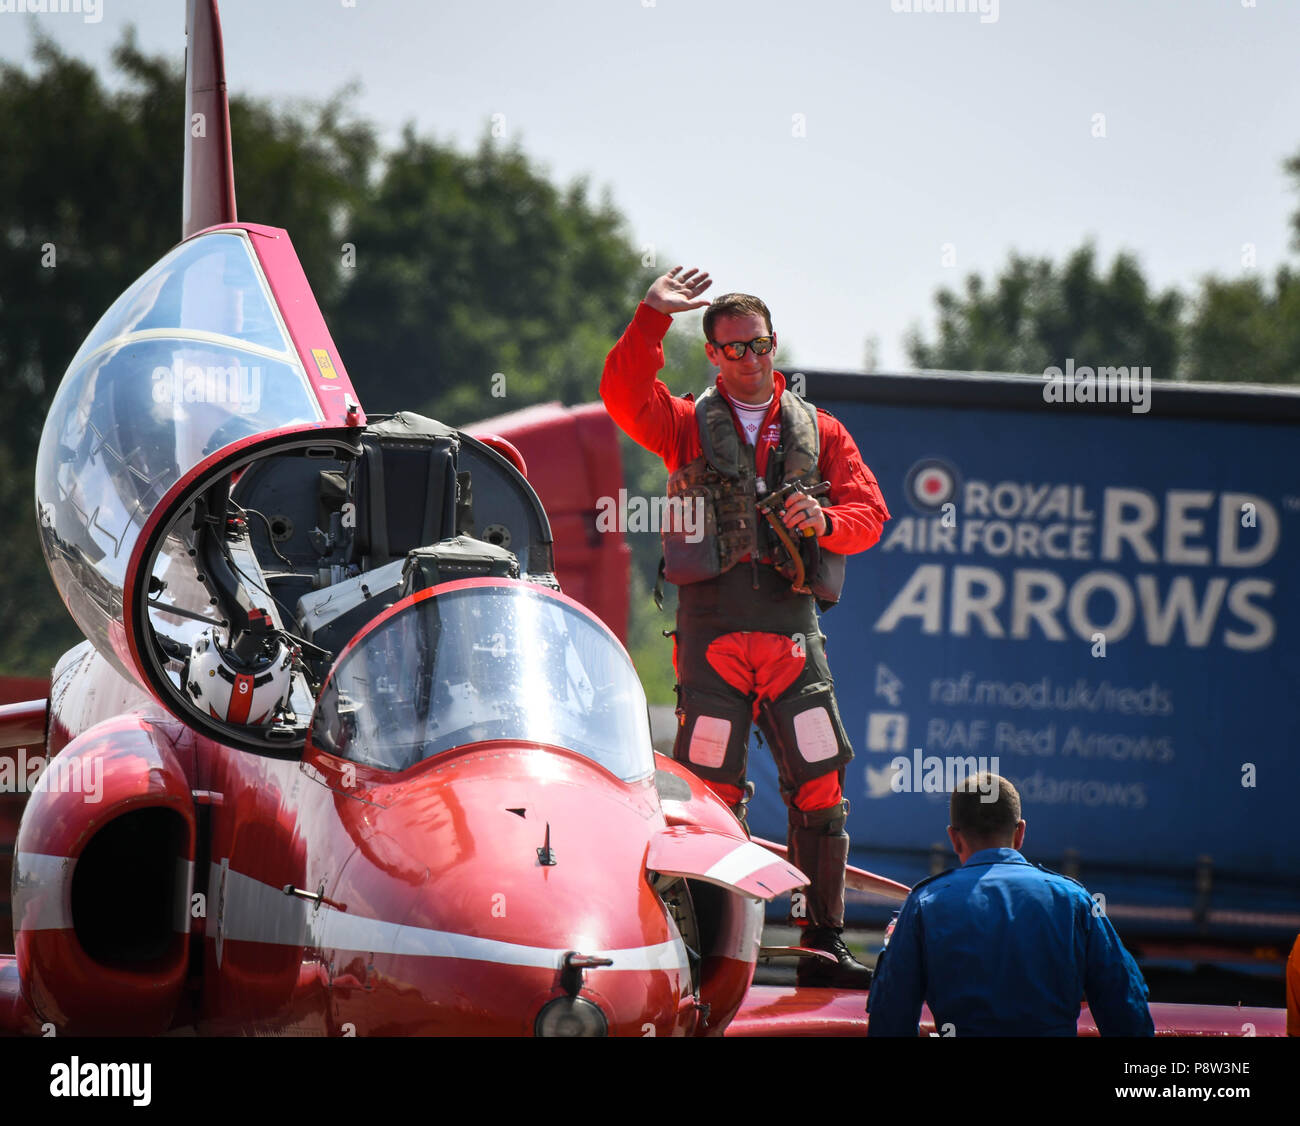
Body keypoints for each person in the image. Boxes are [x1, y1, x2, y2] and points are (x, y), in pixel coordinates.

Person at [600, 266, 890, 988]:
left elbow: (871, 515)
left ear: (773, 345)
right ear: (713, 355)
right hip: (714, 636)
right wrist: (649, 319)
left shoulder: (821, 431)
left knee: (821, 779)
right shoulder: (681, 426)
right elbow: (621, 394)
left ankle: (823, 943)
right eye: (731, 349)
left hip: (792, 635)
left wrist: (824, 519)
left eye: (757, 345)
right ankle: (706, 950)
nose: (748, 359)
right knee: (708, 792)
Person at [866, 772, 1155, 1035]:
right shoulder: (1074, 900)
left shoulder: (924, 904)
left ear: (954, 838)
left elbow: (890, 1015)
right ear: (1020, 833)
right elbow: (1126, 1006)